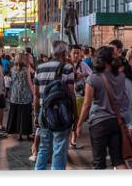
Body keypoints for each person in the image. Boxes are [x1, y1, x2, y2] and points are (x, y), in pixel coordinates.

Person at [76, 46, 130, 169]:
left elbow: (87, 104)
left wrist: (79, 124)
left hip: (99, 123)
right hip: (117, 121)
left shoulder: (93, 79)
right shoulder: (121, 76)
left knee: (99, 162)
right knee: (118, 160)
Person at [33, 41, 76, 170]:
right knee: (59, 148)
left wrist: (36, 114)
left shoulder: (39, 68)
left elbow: (36, 95)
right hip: (61, 113)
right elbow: (71, 94)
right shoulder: (67, 68)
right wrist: (76, 116)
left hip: (44, 112)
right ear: (63, 53)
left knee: (44, 147)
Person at [6, 53, 34, 141]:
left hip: (14, 95)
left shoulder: (12, 69)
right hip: (25, 95)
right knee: (25, 114)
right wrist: (34, 93)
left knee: (17, 114)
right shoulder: (26, 70)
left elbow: (11, 81)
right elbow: (29, 83)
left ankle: (19, 134)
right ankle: (28, 133)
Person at [69, 45, 92, 149]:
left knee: (77, 118)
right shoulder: (66, 64)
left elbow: (91, 75)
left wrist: (82, 75)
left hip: (79, 95)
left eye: (78, 53)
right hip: (68, 94)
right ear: (70, 53)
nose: (76, 55)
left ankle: (73, 140)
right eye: (74, 53)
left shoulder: (83, 64)